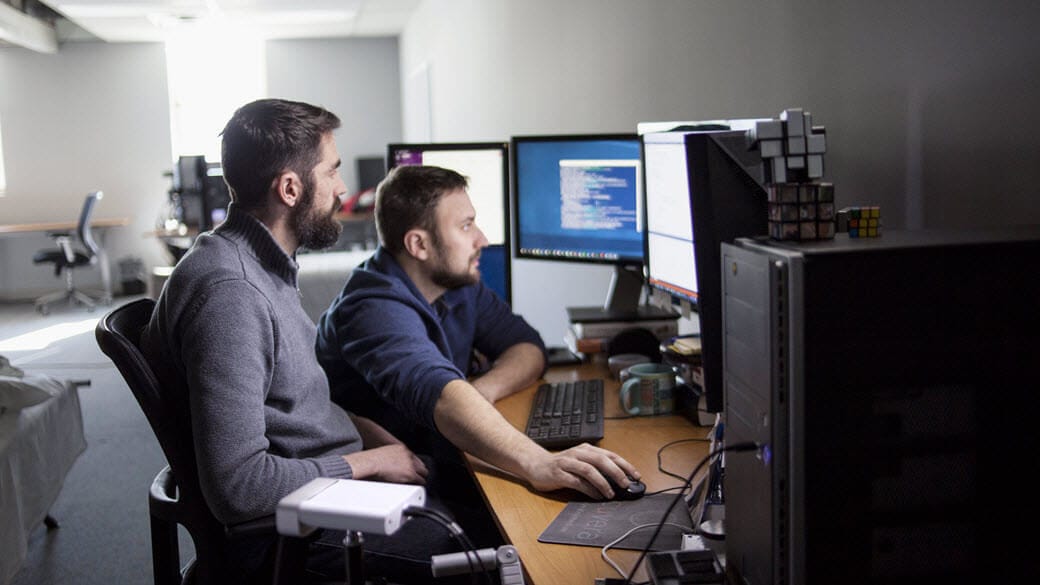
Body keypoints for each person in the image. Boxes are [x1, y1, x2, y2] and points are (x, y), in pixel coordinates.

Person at [141, 99, 473, 584]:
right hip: (296, 536)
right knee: (489, 546)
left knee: (467, 482)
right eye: (332, 172)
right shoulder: (231, 294)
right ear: (291, 188)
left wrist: (360, 429)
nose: (343, 189)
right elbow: (238, 486)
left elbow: (287, 403)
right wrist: (369, 462)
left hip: (324, 497)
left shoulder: (260, 265)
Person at [314, 165, 641, 515]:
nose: (482, 239)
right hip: (394, 493)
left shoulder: (455, 285)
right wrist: (540, 463)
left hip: (445, 460)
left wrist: (482, 391)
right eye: (466, 226)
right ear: (418, 244)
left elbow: (527, 346)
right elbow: (440, 395)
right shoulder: (372, 308)